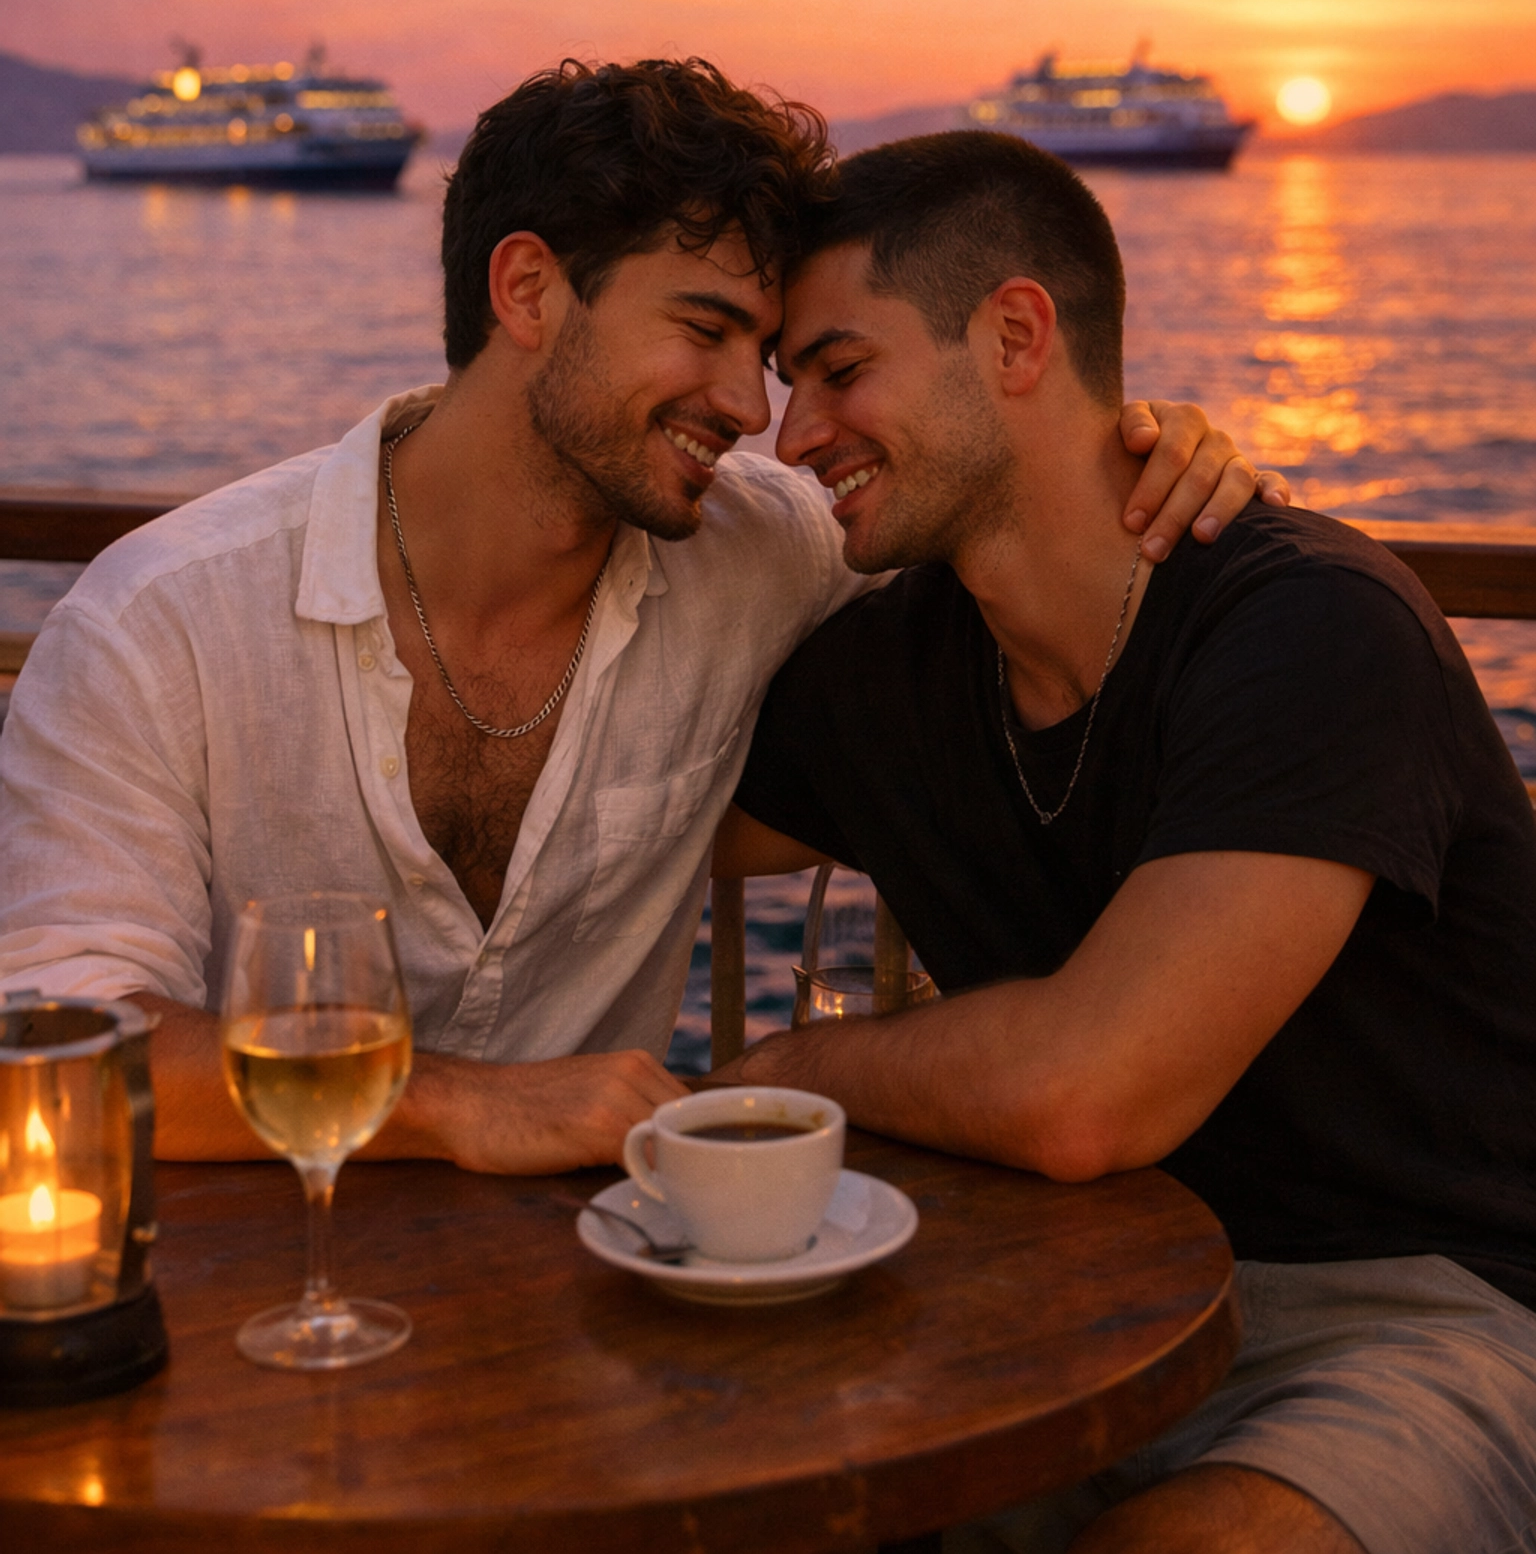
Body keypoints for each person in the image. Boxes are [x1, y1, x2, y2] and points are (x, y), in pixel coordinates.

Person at [0, 60, 1274, 1178]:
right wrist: (458, 1107)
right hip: (257, 1315)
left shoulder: (761, 547)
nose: (749, 407)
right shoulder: (161, 622)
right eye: (705, 329)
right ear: (528, 291)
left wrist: (1146, 450)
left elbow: (1004, 509)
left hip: (603, 1304)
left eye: (769, 356)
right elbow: (50, 1050)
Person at [716, 129, 1536, 1554]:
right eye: (790, 388)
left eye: (842, 371)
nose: (793, 437)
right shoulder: (887, 675)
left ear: (1018, 334)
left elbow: (1092, 1095)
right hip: (1065, 1300)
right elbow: (626, 830)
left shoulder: (1308, 628)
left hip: (1427, 1314)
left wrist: (794, 1071)